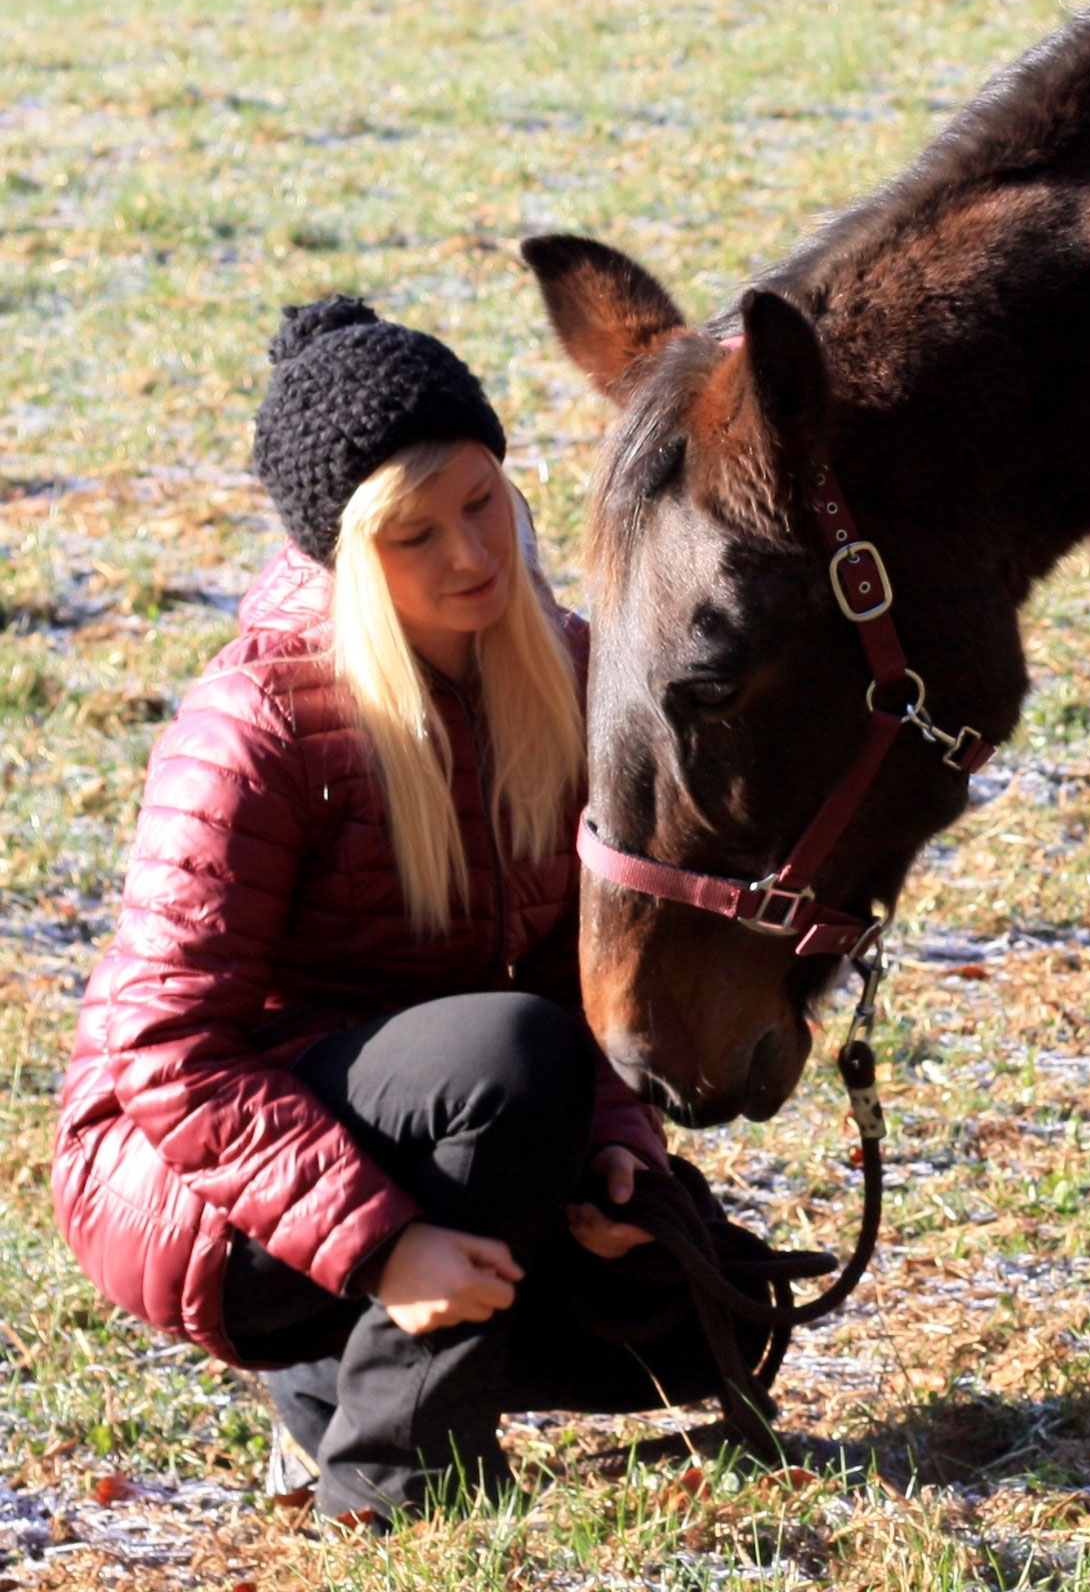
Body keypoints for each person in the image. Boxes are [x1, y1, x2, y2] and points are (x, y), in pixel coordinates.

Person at [52, 296, 754, 1526]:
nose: (472, 556)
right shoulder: (259, 726)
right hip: (194, 1173)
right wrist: (383, 1248)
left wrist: (611, 1157)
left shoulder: (569, 669)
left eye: (482, 501)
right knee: (503, 1057)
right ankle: (393, 1478)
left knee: (709, 1311)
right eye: (414, 535)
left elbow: (564, 969)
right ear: (343, 556)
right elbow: (164, 1051)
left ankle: (331, 1385)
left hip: (465, 1115)